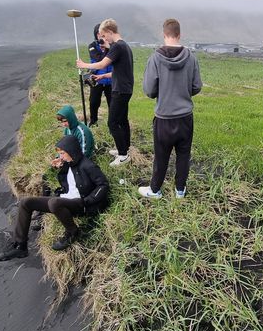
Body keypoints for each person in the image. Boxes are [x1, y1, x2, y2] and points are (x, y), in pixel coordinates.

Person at [0, 135, 109, 261]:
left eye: (63, 153)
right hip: (65, 200)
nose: (61, 156)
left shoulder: (88, 166)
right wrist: (54, 169)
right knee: (26, 202)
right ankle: (20, 246)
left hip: (81, 204)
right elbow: (48, 179)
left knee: (54, 203)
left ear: (72, 151)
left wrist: (87, 201)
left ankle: (73, 232)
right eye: (60, 153)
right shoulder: (68, 164)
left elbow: (103, 185)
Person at [138, 19, 202, 199]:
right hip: (185, 117)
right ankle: (180, 190)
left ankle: (155, 190)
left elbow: (149, 90)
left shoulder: (155, 58)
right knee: (183, 154)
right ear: (179, 34)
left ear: (164, 34)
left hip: (164, 118)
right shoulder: (191, 57)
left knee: (161, 156)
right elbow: (197, 86)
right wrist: (183, 92)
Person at [77, 18, 134, 167]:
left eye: (103, 35)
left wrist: (84, 65)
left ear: (110, 32)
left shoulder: (117, 46)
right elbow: (118, 71)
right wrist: (102, 76)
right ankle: (125, 148)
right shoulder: (124, 46)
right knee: (122, 120)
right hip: (125, 88)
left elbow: (102, 64)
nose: (102, 39)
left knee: (112, 122)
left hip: (120, 90)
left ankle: (123, 156)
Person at [87, 24, 113, 127]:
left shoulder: (112, 45)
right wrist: (107, 49)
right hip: (97, 79)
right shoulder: (92, 46)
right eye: (98, 33)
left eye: (102, 33)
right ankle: (93, 122)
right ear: (95, 34)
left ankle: (112, 124)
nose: (100, 36)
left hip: (110, 79)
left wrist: (108, 47)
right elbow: (99, 59)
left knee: (112, 104)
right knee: (94, 102)